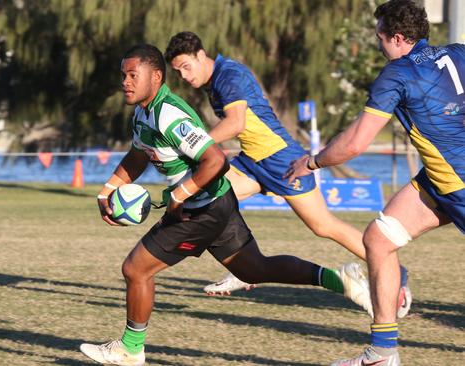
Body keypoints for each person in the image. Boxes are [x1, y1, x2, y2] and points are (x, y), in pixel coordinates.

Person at [79, 43, 371, 366]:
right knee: (255, 268)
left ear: (156, 77)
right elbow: (137, 155)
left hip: (200, 210)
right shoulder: (143, 114)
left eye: (133, 75)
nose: (126, 82)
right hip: (214, 203)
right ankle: (339, 278)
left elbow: (215, 160)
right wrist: (107, 189)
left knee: (135, 269)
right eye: (123, 75)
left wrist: (180, 194)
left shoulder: (169, 115)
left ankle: (130, 349)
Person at [163, 31, 414, 317]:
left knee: (323, 226)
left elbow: (235, 123)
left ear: (201, 55)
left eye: (186, 67)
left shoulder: (228, 75)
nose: (183, 76)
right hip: (253, 161)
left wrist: (196, 147)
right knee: (213, 199)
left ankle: (398, 273)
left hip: (281, 160)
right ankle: (246, 268)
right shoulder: (214, 81)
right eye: (177, 71)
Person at [285, 1, 465, 364]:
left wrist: (313, 161)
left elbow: (354, 143)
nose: (379, 44)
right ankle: (382, 354)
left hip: (457, 182)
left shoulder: (397, 74)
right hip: (438, 181)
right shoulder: (458, 53)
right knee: (378, 240)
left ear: (397, 38)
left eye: (380, 36)